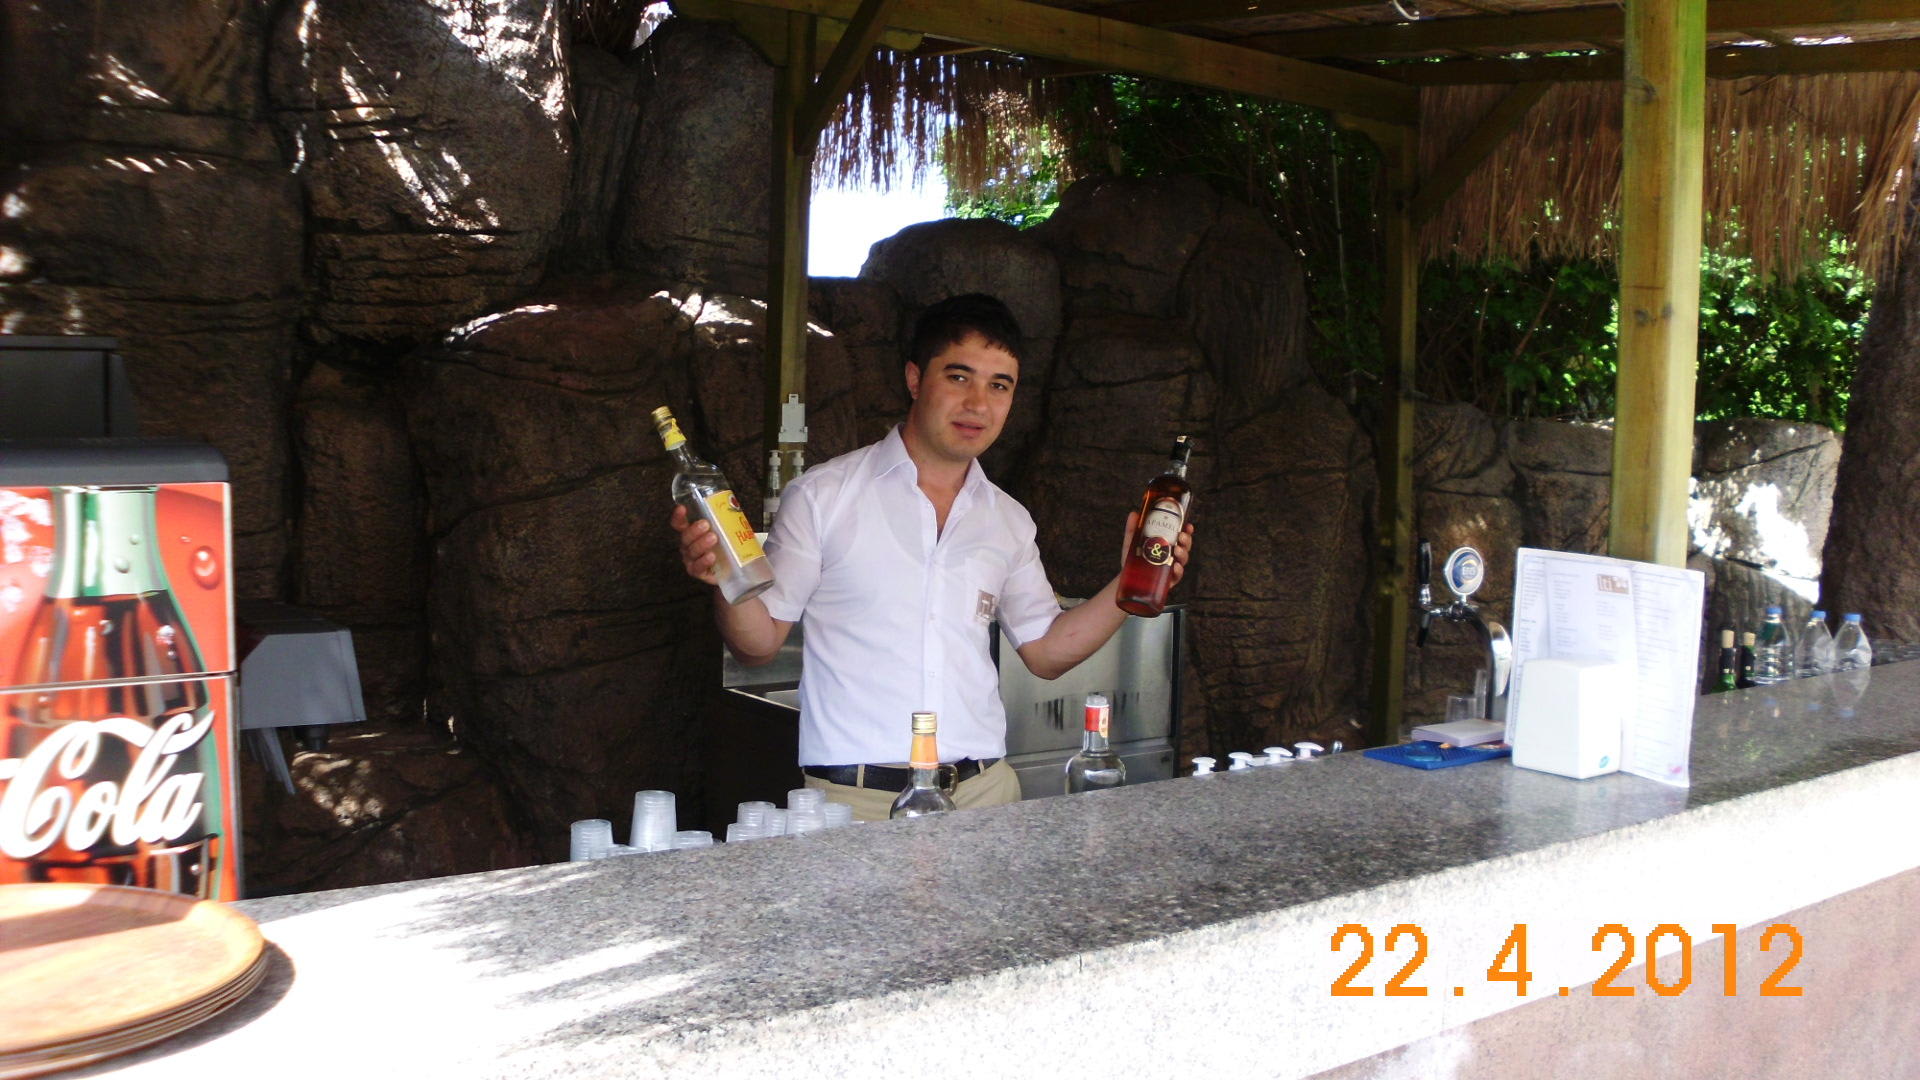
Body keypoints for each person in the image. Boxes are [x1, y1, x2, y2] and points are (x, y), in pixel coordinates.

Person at [671, 294, 1194, 820]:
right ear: (915, 379)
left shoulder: (1008, 519)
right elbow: (758, 644)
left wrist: (1132, 579)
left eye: (999, 385)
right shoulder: (823, 496)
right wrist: (724, 573)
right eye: (959, 377)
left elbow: (1046, 651)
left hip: (984, 794)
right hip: (857, 802)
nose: (978, 404)